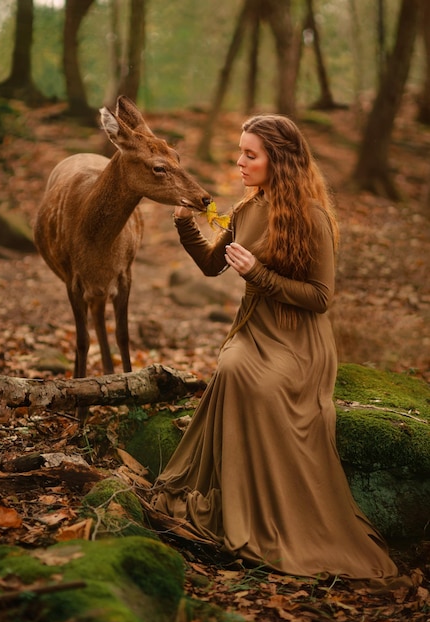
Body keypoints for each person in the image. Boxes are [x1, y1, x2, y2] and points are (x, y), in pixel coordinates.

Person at [151, 114, 399, 582]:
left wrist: (258, 275)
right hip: (254, 332)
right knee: (234, 366)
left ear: (278, 161)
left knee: (257, 382)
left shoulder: (312, 217)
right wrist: (185, 224)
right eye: (240, 152)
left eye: (250, 154)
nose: (239, 162)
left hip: (298, 342)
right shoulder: (246, 210)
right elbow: (210, 266)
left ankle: (277, 514)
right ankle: (237, 499)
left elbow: (321, 298)